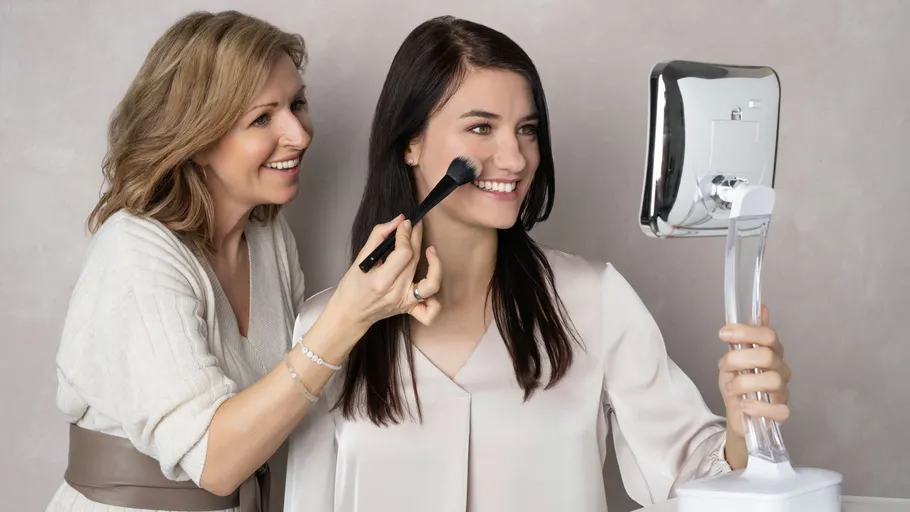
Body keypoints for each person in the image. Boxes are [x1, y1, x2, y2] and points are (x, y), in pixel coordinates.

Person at [283, 15, 792, 512]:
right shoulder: (325, 330)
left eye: (527, 130)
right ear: (411, 143)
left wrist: (742, 426)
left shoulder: (595, 299)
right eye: (481, 127)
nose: (516, 157)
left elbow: (700, 479)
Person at [46, 10, 442, 512]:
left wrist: (386, 312)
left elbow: (292, 406)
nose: (299, 134)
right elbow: (217, 462)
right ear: (196, 137)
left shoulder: (267, 237)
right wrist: (350, 312)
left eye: (297, 104)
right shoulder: (135, 254)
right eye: (262, 118)